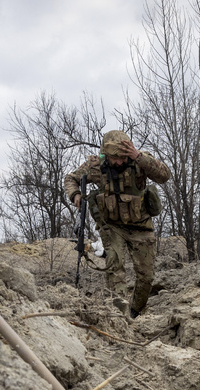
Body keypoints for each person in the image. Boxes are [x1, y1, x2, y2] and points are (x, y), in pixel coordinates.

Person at [64, 130, 171, 317]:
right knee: (115, 268)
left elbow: (164, 175)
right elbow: (70, 178)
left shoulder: (140, 160)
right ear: (106, 154)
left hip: (141, 226)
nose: (120, 162)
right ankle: (119, 314)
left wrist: (138, 156)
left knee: (146, 277)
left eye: (123, 157)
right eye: (115, 158)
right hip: (112, 227)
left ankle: (135, 312)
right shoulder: (95, 165)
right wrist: (76, 194)